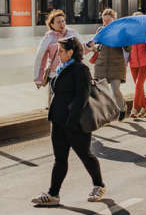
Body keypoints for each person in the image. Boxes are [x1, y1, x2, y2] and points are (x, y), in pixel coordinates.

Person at [32, 37, 105, 205]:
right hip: (57, 121)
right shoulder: (60, 68)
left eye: (62, 51)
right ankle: (53, 194)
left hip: (74, 123)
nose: (58, 53)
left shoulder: (80, 69)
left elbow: (82, 97)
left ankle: (99, 185)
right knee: (60, 159)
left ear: (71, 52)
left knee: (85, 155)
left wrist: (72, 121)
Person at [89, 8, 127, 120]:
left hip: (117, 65)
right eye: (104, 20)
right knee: (102, 92)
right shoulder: (100, 30)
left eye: (108, 20)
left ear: (114, 20)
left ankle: (122, 108)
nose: (105, 23)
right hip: (101, 66)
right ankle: (106, 114)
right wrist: (93, 48)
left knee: (115, 90)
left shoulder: (120, 31)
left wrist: (124, 39)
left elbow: (128, 48)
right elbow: (95, 46)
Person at [34, 10, 81, 90]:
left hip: (72, 73)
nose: (62, 24)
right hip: (55, 75)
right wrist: (38, 78)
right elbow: (40, 57)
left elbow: (82, 49)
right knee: (55, 100)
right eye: (58, 22)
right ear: (52, 24)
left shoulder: (72, 33)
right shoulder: (49, 37)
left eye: (63, 21)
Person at [127, 38, 146, 119]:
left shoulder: (144, 32)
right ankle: (144, 108)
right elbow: (125, 48)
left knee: (138, 84)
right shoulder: (129, 34)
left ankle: (134, 108)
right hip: (133, 63)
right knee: (139, 86)